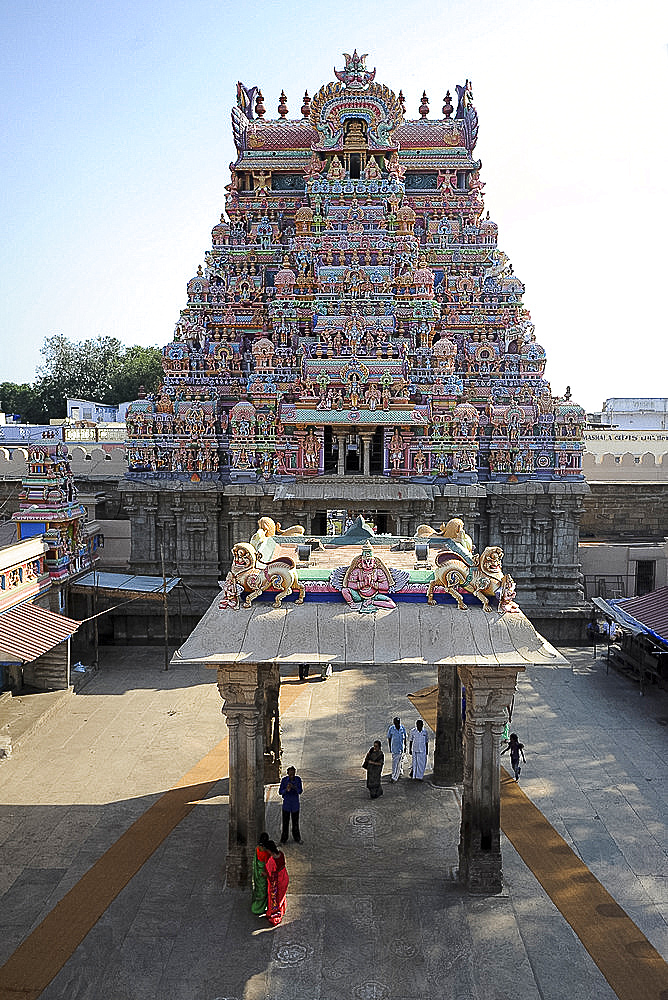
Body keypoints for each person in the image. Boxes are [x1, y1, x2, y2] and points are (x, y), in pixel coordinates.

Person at [265, 839, 289, 925]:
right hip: (284, 877)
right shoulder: (281, 854)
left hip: (277, 881)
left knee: (275, 898)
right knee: (281, 896)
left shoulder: (271, 860)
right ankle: (281, 909)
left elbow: (269, 873)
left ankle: (275, 915)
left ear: (269, 850)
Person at [279, 766, 303, 843]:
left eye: (293, 773)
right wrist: (286, 789)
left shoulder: (298, 780)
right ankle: (284, 839)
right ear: (288, 773)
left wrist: (294, 787)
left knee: (295, 823)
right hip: (287, 805)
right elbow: (280, 792)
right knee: (285, 823)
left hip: (295, 805)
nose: (292, 775)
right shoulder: (284, 780)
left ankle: (297, 838)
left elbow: (300, 791)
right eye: (290, 773)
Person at [251, 831, 271, 915]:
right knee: (263, 890)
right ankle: (261, 907)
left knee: (260, 889)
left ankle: (258, 906)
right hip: (263, 873)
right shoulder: (267, 852)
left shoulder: (257, 849)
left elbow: (255, 861)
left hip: (259, 873)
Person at [387, 716, 407, 782]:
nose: (397, 724)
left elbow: (405, 738)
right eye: (395, 723)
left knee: (398, 763)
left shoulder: (402, 728)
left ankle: (394, 777)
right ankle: (395, 774)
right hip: (394, 749)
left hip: (401, 748)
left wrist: (405, 746)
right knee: (395, 763)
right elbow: (389, 738)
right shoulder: (391, 729)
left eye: (398, 723)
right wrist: (390, 747)